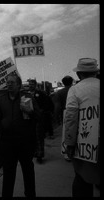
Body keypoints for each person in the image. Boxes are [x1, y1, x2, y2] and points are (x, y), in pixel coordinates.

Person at [0, 73, 41, 197]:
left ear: (19, 85)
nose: (9, 84)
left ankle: (30, 194)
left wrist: (30, 112)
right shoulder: (1, 98)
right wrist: (1, 128)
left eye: (12, 82)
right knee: (8, 172)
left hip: (25, 141)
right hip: (8, 142)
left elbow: (38, 116)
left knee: (28, 171)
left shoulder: (27, 97)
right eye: (7, 82)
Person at [64, 58, 100, 197]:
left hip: (86, 141)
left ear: (79, 74)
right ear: (96, 72)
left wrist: (69, 143)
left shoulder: (75, 90)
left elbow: (71, 118)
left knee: (82, 178)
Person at [28, 79, 54, 163]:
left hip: (38, 119)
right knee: (32, 137)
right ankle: (35, 152)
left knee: (39, 137)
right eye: (29, 84)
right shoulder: (26, 94)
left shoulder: (41, 94)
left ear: (35, 85)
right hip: (29, 120)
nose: (30, 85)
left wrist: (42, 111)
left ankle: (40, 155)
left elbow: (48, 104)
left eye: (32, 84)